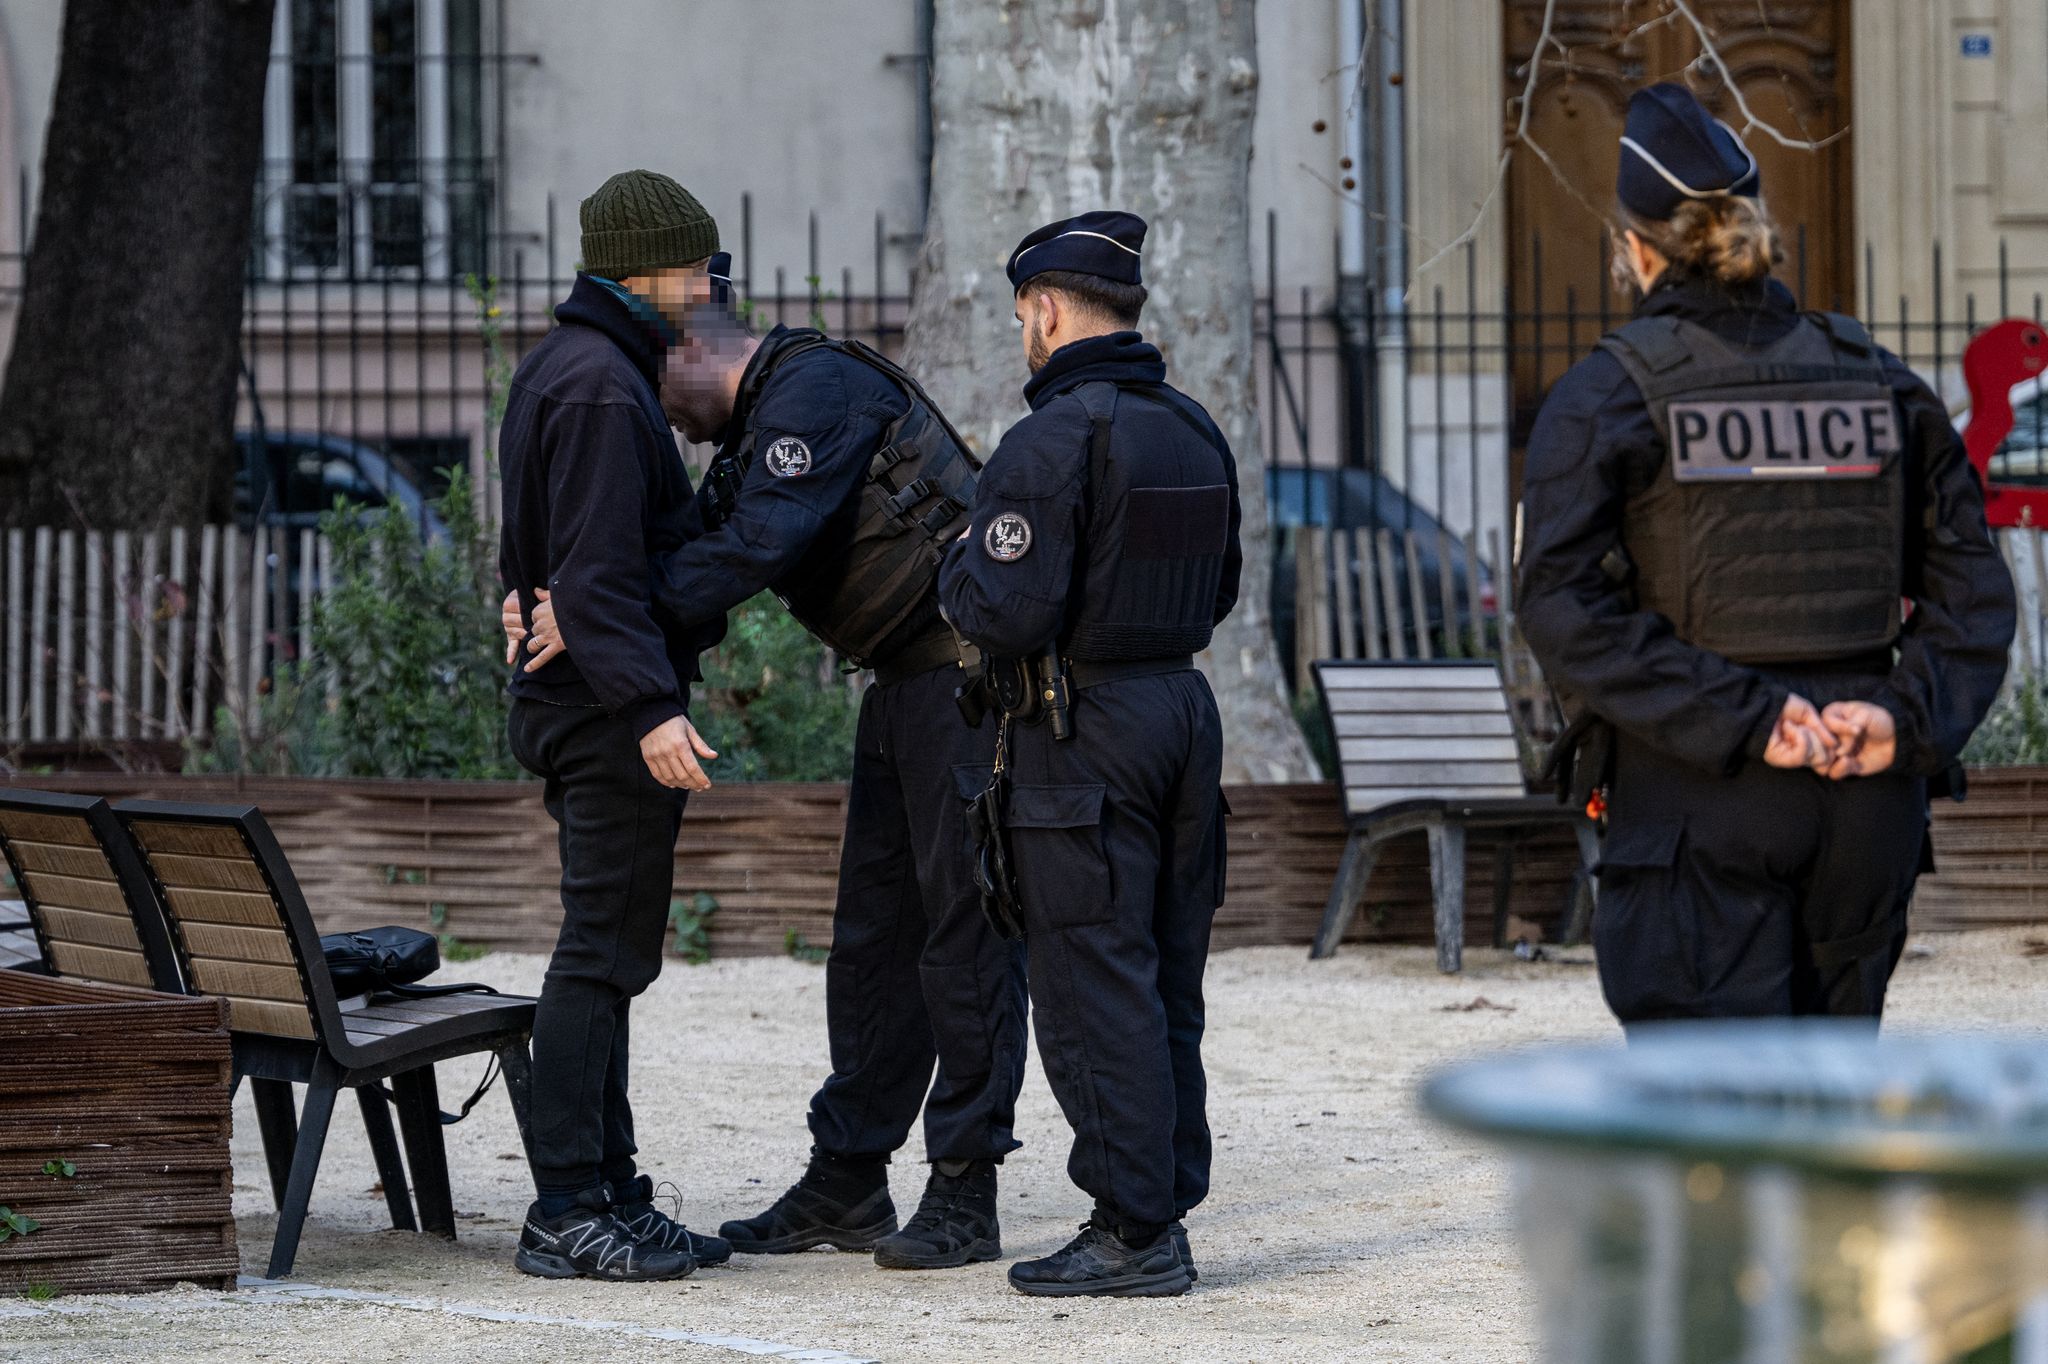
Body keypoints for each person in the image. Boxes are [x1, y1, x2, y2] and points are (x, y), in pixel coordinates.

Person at [508, 246, 1028, 1273]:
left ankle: (965, 1186)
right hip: (905, 684)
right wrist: (580, 598)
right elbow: (693, 545)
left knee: (960, 938)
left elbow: (750, 548)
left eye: (662, 385)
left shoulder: (816, 389)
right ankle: (849, 1173)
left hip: (965, 682)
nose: (665, 417)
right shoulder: (753, 431)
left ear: (697, 348)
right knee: (872, 940)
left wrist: (592, 608)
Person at [1519, 85, 2016, 1027]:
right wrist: (1902, 721)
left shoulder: (1609, 395)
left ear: (1638, 248)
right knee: (1827, 1119)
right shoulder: (1882, 383)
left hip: (1701, 800)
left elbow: (1563, 609)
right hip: (1866, 806)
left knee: (1713, 1134)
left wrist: (1756, 718)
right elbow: (1975, 597)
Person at [937, 210, 1241, 1298]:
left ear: (1047, 309)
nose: (1023, 328)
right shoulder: (1191, 427)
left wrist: (953, 570)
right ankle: (1160, 1200)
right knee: (1165, 975)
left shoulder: (1050, 439)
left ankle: (1133, 1226)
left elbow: (1003, 610)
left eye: (1022, 311)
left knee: (1086, 979)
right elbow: (1220, 591)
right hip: (1179, 713)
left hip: (1084, 734)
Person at [497, 169, 731, 1281]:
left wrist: (527, 597)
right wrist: (648, 708)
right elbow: (591, 573)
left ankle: (614, 1191)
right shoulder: (599, 382)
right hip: (602, 713)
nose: (705, 282)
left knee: (614, 952)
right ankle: (566, 1206)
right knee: (599, 953)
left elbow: (538, 555)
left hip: (576, 698)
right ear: (640, 266)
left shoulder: (568, 365)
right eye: (694, 263)